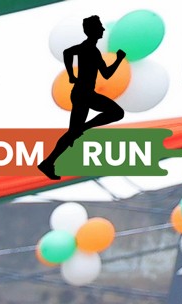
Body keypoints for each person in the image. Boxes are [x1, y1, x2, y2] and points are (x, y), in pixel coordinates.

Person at [44, 14, 130, 180]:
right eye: (100, 27)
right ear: (93, 30)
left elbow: (106, 74)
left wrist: (118, 60)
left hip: (85, 93)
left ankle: (49, 162)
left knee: (75, 131)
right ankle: (50, 161)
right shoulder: (88, 49)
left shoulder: (93, 51)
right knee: (115, 113)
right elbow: (68, 53)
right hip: (83, 93)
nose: (103, 29)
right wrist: (71, 75)